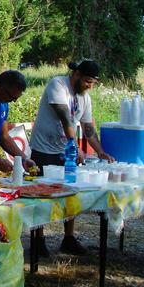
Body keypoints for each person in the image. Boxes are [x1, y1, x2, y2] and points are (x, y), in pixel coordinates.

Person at [30, 59, 114, 256]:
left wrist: (100, 151)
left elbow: (88, 127)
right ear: (76, 74)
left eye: (93, 83)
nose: (89, 86)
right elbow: (65, 117)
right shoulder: (57, 84)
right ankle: (39, 240)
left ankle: (68, 238)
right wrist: (75, 147)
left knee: (71, 192)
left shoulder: (85, 98)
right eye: (87, 81)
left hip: (65, 151)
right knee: (41, 195)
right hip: (44, 149)